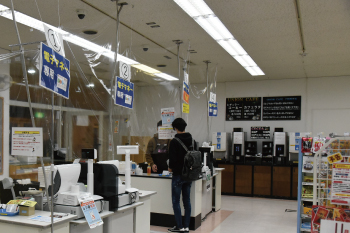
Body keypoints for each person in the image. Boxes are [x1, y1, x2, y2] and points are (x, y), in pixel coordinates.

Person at [168, 118, 196, 233]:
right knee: (187, 200)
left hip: (178, 175)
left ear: (175, 128)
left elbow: (173, 159)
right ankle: (187, 226)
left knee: (176, 201)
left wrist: (170, 168)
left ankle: (179, 227)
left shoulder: (174, 141)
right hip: (188, 175)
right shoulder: (192, 140)